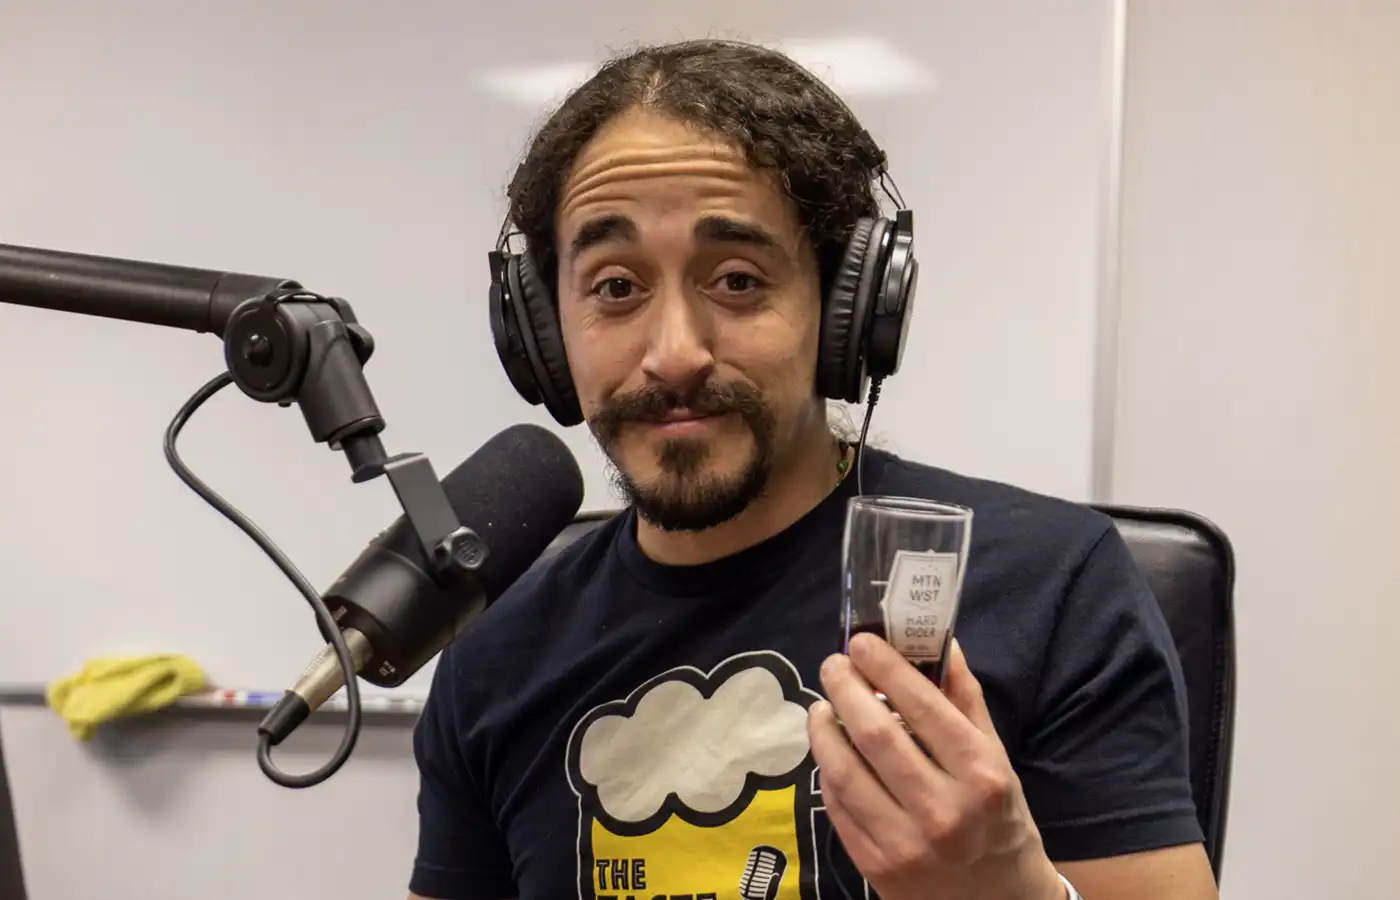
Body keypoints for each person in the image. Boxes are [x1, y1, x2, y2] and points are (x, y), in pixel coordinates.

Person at [408, 39, 1217, 900]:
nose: (675, 353)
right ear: (542, 335)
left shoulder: (1053, 585)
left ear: (847, 310)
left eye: (737, 279)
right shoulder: (493, 659)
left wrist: (1010, 891)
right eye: (614, 287)